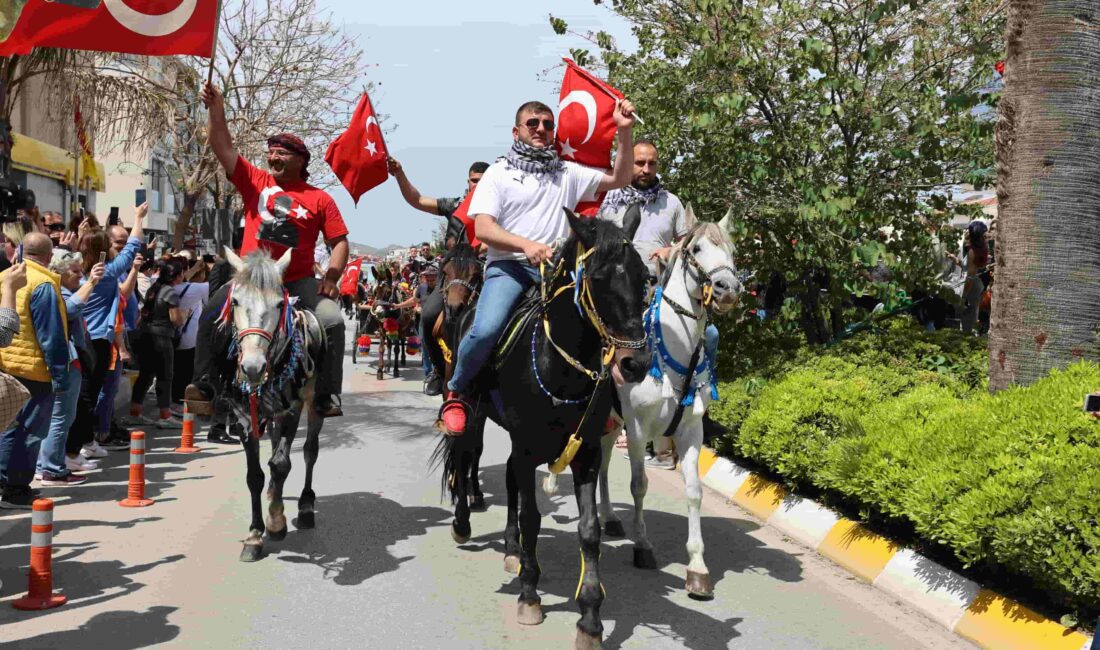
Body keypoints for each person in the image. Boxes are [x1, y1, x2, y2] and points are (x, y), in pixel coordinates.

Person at [439, 97, 637, 436]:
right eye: (533, 123)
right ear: (516, 131)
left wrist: (625, 132)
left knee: (603, 322)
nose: (541, 129)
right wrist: (525, 245)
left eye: (547, 124)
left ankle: (599, 403)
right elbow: (484, 229)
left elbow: (620, 178)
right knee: (486, 329)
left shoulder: (567, 172)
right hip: (510, 270)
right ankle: (458, 391)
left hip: (558, 273)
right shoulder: (498, 174)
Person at [184, 82, 349, 418]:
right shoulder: (254, 181)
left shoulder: (321, 199)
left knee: (332, 321)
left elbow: (339, 243)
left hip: (298, 280)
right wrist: (217, 109)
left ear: (301, 160)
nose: (273, 157)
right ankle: (203, 385)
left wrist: (331, 278)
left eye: (282, 153)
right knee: (211, 312)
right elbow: (221, 145)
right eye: (270, 152)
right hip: (252, 279)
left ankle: (326, 395)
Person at [0, 233, 69, 508]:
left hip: (7, 365)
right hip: (34, 371)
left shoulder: (6, 277)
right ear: (49, 256)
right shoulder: (42, 284)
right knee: (30, 433)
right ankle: (16, 490)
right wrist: (60, 375)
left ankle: (6, 483)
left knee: (8, 429)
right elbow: (51, 336)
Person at [72, 204, 146, 451]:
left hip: (78, 339)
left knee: (84, 395)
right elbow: (133, 247)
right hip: (98, 342)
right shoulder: (105, 275)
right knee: (89, 395)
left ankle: (86, 440)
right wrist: (138, 218)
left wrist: (82, 237)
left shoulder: (74, 275)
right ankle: (82, 443)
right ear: (104, 251)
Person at [37, 251, 105, 485]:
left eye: (81, 271)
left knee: (60, 417)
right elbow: (67, 312)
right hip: (64, 361)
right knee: (60, 418)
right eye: (75, 271)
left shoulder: (63, 288)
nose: (81, 276)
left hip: (68, 359)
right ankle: (52, 469)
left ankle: (46, 465)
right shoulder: (55, 292)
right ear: (58, 273)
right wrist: (93, 281)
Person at [129, 259, 187, 428]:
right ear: (177, 276)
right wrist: (184, 315)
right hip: (161, 338)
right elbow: (175, 320)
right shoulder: (170, 292)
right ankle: (165, 415)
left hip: (145, 335)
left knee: (145, 375)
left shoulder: (155, 287)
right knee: (165, 376)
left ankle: (135, 412)